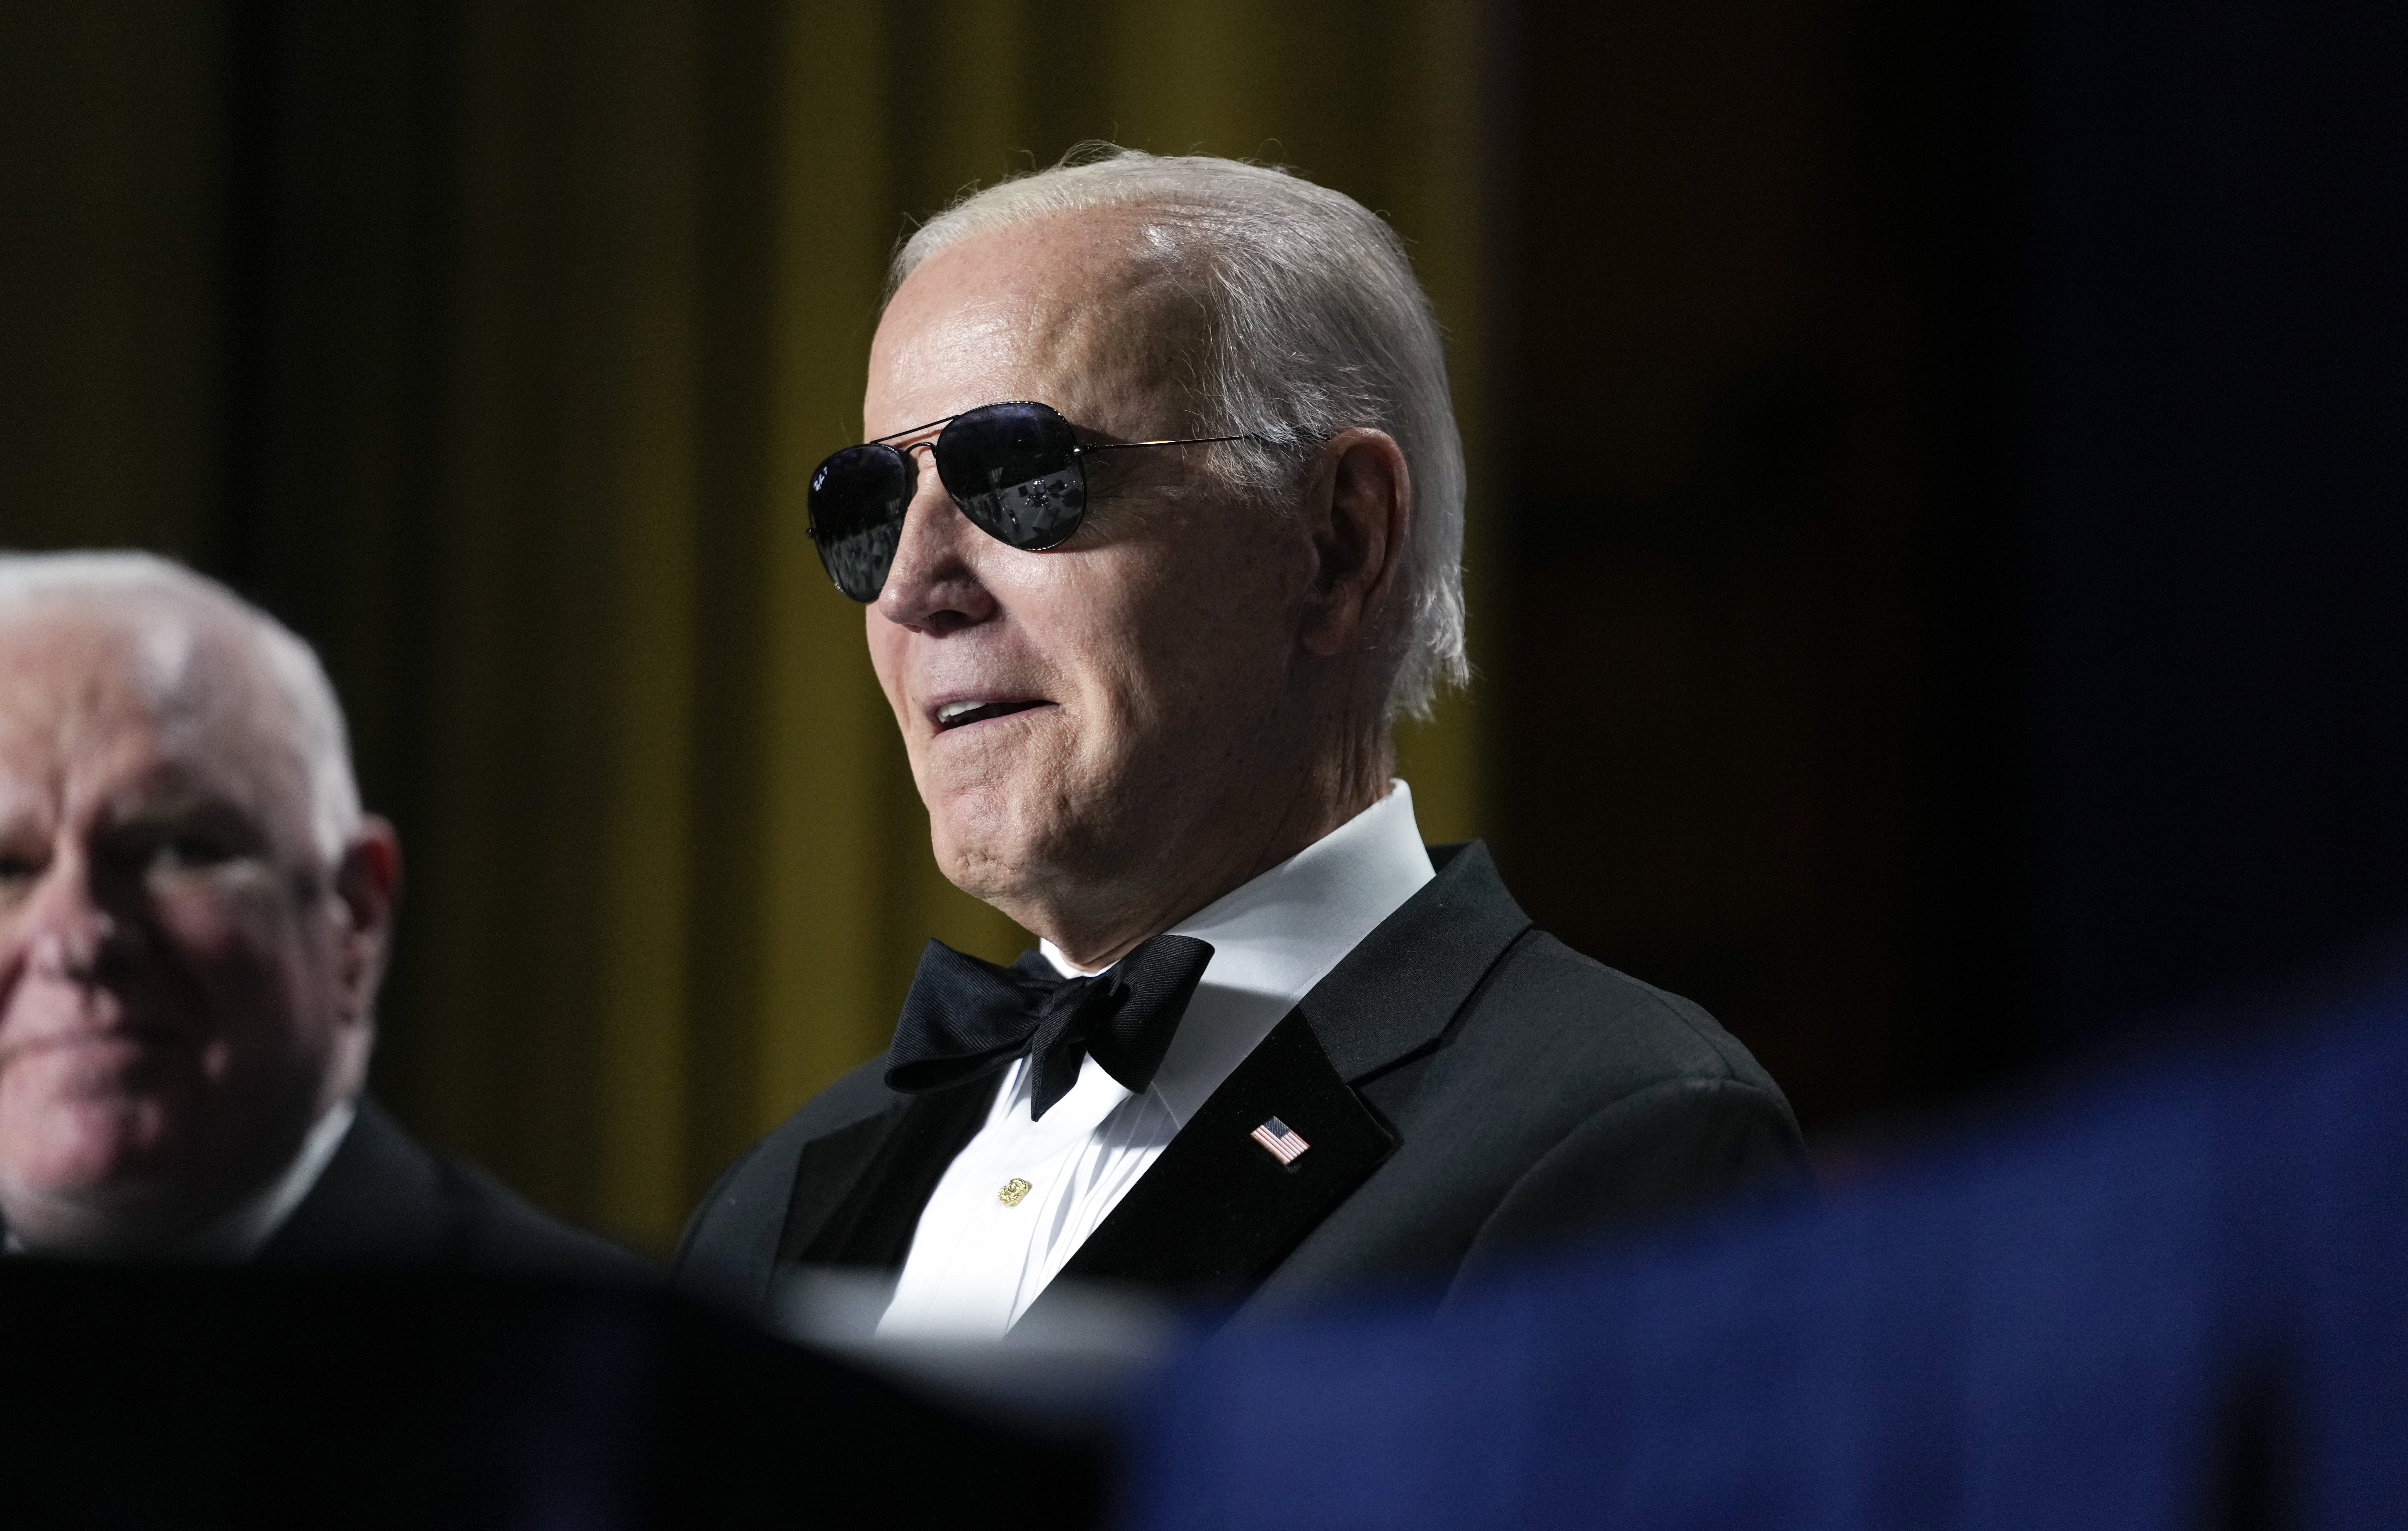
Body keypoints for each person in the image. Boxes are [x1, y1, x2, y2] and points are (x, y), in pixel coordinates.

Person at [675, 150, 1807, 1337]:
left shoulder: (1623, 1137)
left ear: (1334, 544)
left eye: (1019, 477)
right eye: (866, 510)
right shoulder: (771, 1210)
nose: (912, 590)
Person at [0, 552, 637, 1276]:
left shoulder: (626, 1370)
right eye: (6, 872)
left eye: (177, 852)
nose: (76, 937)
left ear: (355, 915)